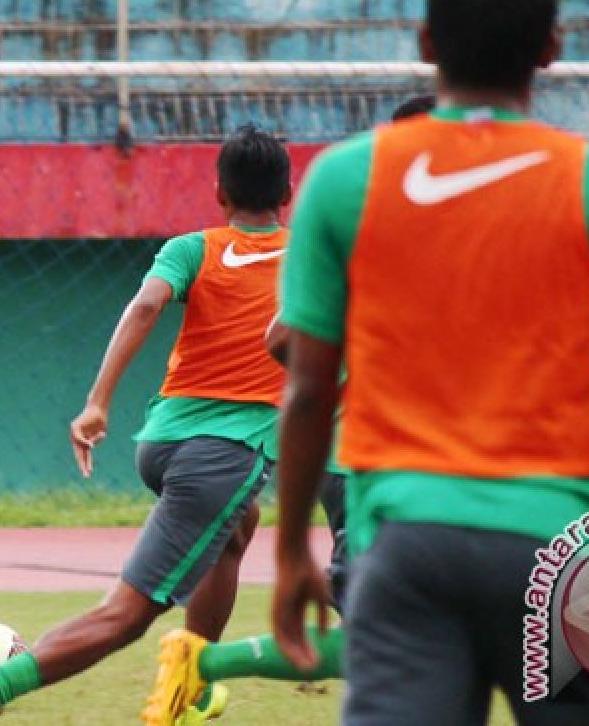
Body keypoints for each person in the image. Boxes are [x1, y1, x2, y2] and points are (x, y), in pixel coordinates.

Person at [271, 0, 589, 725]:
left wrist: (289, 553)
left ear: (426, 43)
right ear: (552, 46)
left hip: (403, 547)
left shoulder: (345, 180)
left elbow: (307, 393)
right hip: (555, 551)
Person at [0, 126, 292, 726]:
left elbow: (146, 304)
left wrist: (98, 402)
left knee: (235, 528)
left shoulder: (192, 247)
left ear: (219, 194)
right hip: (225, 453)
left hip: (162, 441)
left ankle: (194, 684)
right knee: (127, 613)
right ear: (288, 194)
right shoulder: (311, 257)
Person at [144, 95, 438, 726]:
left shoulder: (366, 225)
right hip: (372, 454)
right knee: (399, 640)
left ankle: (205, 662)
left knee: (403, 630)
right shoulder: (365, 236)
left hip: (386, 454)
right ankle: (202, 664)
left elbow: (280, 339)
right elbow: (280, 336)